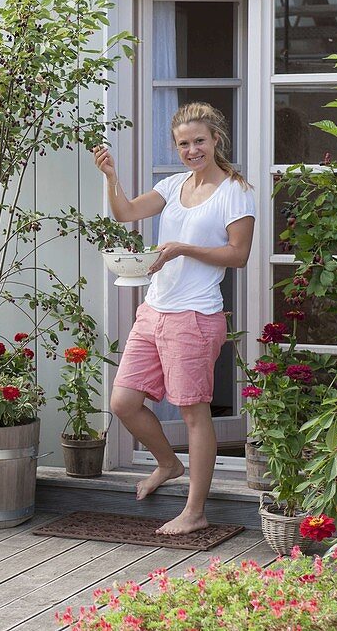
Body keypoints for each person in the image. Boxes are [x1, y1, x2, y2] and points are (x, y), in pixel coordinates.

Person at [93, 101, 256, 535]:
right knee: (124, 402)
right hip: (154, 310)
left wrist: (183, 248)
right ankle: (169, 464)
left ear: (216, 139)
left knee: (193, 414)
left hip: (195, 316)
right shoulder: (173, 185)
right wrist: (112, 178)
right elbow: (125, 213)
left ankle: (195, 511)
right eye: (184, 143)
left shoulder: (235, 191)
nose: (192, 150)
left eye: (199, 141)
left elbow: (238, 255)